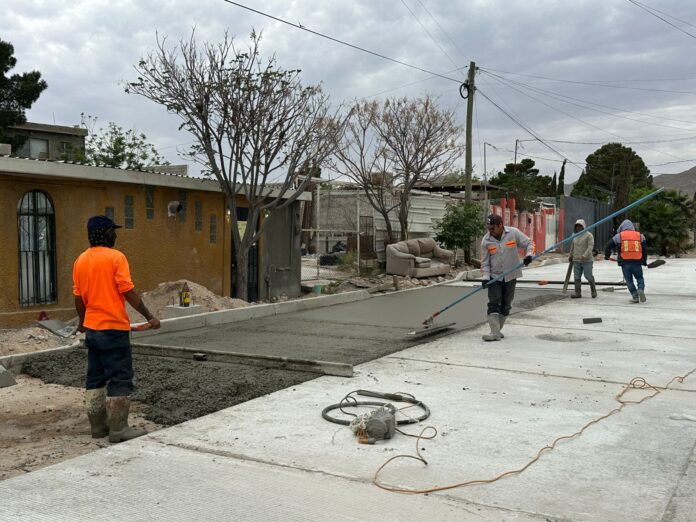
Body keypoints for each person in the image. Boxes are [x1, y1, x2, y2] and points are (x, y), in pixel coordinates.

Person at [73, 215, 161, 443]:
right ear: (105, 233)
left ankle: (98, 427)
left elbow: (78, 298)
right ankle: (119, 429)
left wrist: (82, 323)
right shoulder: (116, 257)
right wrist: (150, 317)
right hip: (113, 328)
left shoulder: (80, 260)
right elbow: (127, 291)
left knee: (95, 377)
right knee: (120, 377)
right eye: (113, 231)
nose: (116, 235)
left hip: (93, 330)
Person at [480, 214, 534, 342]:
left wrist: (529, 255)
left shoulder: (513, 233)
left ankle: (497, 330)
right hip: (495, 277)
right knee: (494, 303)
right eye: (488, 228)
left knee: (506, 305)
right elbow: (485, 262)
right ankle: (494, 332)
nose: (490, 231)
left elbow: (529, 242)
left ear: (500, 225)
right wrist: (485, 277)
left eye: (492, 228)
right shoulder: (486, 241)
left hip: (511, 275)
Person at [604, 218, 648, 303]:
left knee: (629, 281)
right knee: (639, 278)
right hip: (637, 261)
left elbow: (608, 246)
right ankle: (640, 289)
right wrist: (644, 261)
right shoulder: (640, 236)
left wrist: (607, 256)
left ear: (622, 227)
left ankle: (635, 296)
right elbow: (645, 249)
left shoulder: (618, 236)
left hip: (625, 263)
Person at [568, 219, 597, 299]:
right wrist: (570, 255)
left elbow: (590, 247)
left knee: (588, 276)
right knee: (577, 277)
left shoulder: (589, 235)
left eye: (580, 226)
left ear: (583, 226)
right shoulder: (574, 235)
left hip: (587, 260)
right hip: (576, 260)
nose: (578, 227)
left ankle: (593, 291)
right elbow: (572, 246)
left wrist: (585, 255)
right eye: (577, 226)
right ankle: (578, 293)